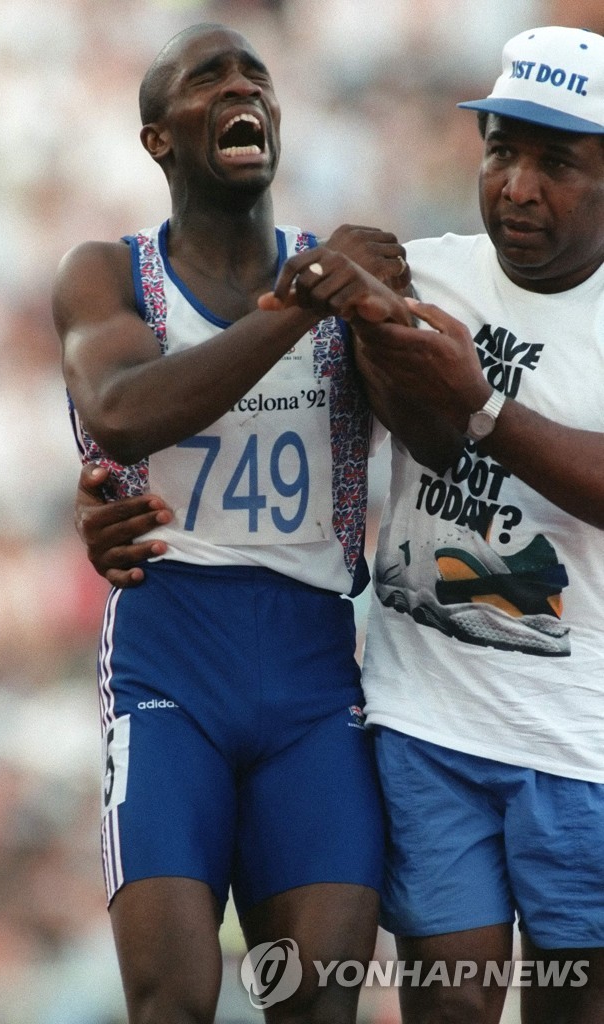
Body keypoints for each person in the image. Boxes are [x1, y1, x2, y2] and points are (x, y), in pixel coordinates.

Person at [78, 23, 604, 1024]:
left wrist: (479, 406)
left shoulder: (383, 283)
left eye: (555, 162)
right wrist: (96, 496)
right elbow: (138, 412)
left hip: (528, 727)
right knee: (233, 1002)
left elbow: (448, 437)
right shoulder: (398, 278)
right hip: (394, 713)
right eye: (500, 151)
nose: (518, 186)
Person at [54, 22, 417, 1024]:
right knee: (173, 999)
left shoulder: (341, 273)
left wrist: (375, 307)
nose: (236, 84)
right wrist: (300, 307)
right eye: (204, 75)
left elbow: (433, 435)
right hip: (171, 658)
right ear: (158, 138)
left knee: (315, 1005)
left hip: (313, 664)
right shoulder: (108, 272)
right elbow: (122, 411)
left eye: (252, 72)